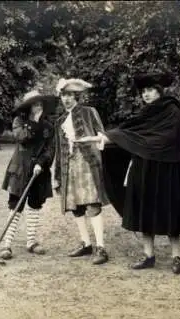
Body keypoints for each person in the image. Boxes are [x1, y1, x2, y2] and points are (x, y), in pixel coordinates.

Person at [100, 72, 180, 274]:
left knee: (170, 209)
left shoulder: (172, 110)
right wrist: (109, 138)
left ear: (159, 91)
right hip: (145, 166)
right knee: (144, 207)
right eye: (143, 91)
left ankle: (177, 256)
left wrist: (144, 144)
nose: (146, 94)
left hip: (168, 168)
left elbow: (173, 137)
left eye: (150, 90)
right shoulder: (145, 114)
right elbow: (130, 134)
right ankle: (148, 255)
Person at [53, 78, 110, 265]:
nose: (66, 99)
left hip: (87, 164)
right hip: (69, 166)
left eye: (70, 95)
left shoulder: (88, 112)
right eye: (63, 95)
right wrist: (57, 176)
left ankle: (101, 247)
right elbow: (58, 150)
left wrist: (89, 140)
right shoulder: (60, 121)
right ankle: (86, 243)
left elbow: (102, 136)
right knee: (75, 206)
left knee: (92, 204)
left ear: (76, 95)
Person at [0, 90, 56, 260]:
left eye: (40, 104)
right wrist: (34, 123)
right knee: (15, 204)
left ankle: (31, 242)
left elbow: (50, 149)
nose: (38, 107)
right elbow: (21, 138)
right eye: (34, 104)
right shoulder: (19, 122)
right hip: (21, 168)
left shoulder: (49, 127)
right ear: (29, 107)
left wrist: (41, 163)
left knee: (35, 204)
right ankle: (7, 245)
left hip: (40, 170)